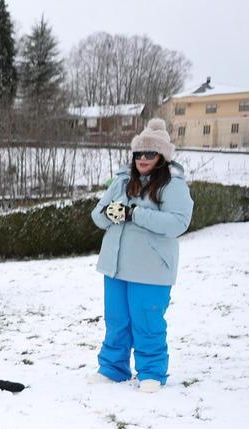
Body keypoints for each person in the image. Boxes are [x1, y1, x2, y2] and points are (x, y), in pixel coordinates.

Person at [90, 118, 194, 393]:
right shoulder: (122, 182)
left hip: (151, 269)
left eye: (149, 153)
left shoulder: (173, 185)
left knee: (147, 321)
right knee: (117, 320)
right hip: (114, 266)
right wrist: (109, 213)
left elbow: (178, 223)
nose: (142, 159)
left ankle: (151, 371)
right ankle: (113, 368)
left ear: (161, 157)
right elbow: (97, 216)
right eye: (138, 153)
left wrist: (135, 214)